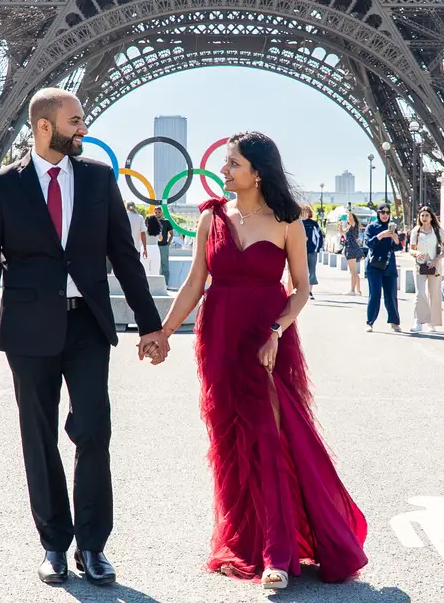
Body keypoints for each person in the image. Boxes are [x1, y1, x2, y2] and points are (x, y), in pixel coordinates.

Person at [0, 87, 169, 588]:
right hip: (28, 329)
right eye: (76, 120)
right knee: (38, 436)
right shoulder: (0, 186)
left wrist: (150, 325)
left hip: (87, 325)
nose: (83, 129)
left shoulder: (100, 179)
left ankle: (93, 545)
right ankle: (55, 544)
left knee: (94, 428)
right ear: (43, 126)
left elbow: (125, 256)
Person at [158, 131, 368, 590]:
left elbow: (302, 289)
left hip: (266, 339)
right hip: (219, 337)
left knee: (269, 437)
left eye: (233, 163)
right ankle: (248, 541)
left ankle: (277, 551)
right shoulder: (211, 218)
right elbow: (195, 283)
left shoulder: (286, 220)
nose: (224, 169)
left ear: (257, 171)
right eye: (226, 162)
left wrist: (276, 331)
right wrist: (165, 332)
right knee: (230, 438)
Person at [408, 206, 444, 333]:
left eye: (427, 215)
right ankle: (418, 321)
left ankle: (431, 323)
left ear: (431, 217)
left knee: (434, 294)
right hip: (420, 266)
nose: (424, 218)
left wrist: (437, 259)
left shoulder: (438, 231)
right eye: (422, 216)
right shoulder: (416, 231)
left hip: (435, 266)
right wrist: (416, 253)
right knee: (420, 293)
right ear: (419, 218)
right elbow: (411, 249)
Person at [363, 205, 402, 332]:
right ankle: (370, 322)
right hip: (374, 266)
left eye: (387, 212)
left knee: (391, 295)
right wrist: (380, 236)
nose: (385, 215)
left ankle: (394, 322)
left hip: (389, 266)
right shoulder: (372, 227)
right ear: (378, 214)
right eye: (382, 212)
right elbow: (368, 243)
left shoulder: (392, 228)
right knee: (374, 294)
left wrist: (396, 239)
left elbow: (398, 248)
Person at [300, 205, 322, 299]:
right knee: (301, 271)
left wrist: (317, 249)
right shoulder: (298, 223)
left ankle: (309, 291)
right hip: (300, 251)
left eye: (306, 211)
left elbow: (319, 236)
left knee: (312, 271)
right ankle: (301, 291)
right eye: (302, 211)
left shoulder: (314, 224)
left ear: (309, 213)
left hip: (312, 251)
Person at [341, 210, 364, 295]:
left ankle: (352, 290)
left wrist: (349, 210)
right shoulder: (349, 227)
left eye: (349, 217)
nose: (347, 219)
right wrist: (340, 226)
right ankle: (358, 290)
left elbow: (351, 219)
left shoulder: (354, 225)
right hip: (350, 248)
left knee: (353, 271)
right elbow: (341, 232)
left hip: (352, 248)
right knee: (354, 271)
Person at [150, 206, 174, 287]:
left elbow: (171, 234)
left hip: (164, 246)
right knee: (155, 265)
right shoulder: (151, 221)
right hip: (154, 247)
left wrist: (168, 243)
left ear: (162, 212)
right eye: (156, 212)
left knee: (165, 265)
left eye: (159, 212)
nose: (157, 214)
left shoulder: (166, 221)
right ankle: (155, 285)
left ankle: (165, 284)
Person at [125, 201, 150, 270]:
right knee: (135, 269)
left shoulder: (122, 216)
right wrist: (145, 249)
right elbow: (143, 234)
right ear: (134, 207)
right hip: (136, 248)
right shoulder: (139, 217)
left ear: (126, 207)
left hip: (124, 247)